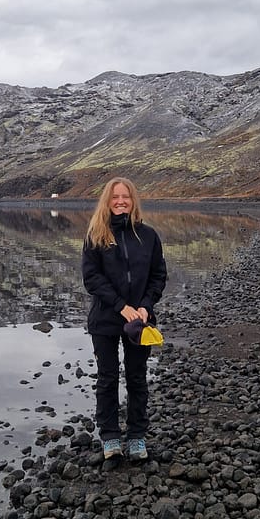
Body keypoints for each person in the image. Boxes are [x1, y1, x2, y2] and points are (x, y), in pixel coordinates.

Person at [81, 177, 167, 461]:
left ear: (133, 200)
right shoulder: (96, 233)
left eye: (126, 197)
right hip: (105, 320)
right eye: (115, 197)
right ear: (107, 201)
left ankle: (137, 437)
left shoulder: (149, 236)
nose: (121, 201)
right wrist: (121, 306)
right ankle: (110, 437)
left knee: (137, 378)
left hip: (139, 323)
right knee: (107, 378)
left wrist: (144, 306)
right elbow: (92, 279)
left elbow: (158, 276)